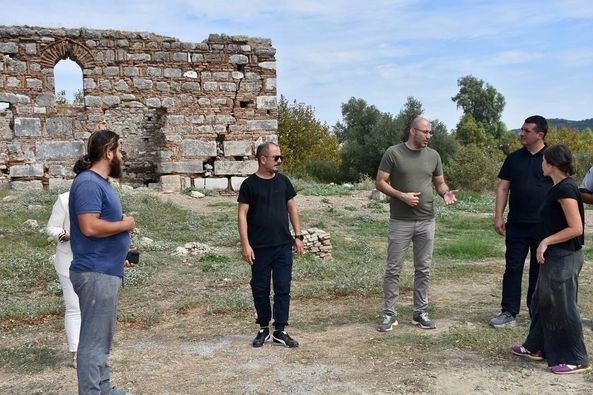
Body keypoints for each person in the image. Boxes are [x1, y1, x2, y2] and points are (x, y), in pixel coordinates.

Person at [511, 144, 590, 374]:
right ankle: (536, 347)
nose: (541, 163)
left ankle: (575, 358)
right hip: (555, 256)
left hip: (565, 256)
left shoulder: (565, 190)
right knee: (541, 301)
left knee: (563, 307)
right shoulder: (558, 187)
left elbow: (576, 228)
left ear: (552, 164)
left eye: (544, 160)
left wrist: (546, 241)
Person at [69, 130, 135, 395]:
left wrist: (120, 256)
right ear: (108, 152)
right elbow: (89, 226)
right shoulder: (88, 183)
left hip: (105, 269)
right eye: (119, 151)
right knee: (93, 342)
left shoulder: (99, 183)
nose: (121, 156)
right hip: (95, 273)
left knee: (101, 339)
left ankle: (103, 388)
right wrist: (125, 224)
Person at [376, 116, 457, 332]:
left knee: (423, 268)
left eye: (430, 132)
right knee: (393, 269)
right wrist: (401, 196)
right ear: (413, 131)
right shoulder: (393, 153)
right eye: (425, 132)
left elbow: (439, 183)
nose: (429, 136)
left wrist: (445, 193)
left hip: (426, 221)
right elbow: (380, 182)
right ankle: (389, 313)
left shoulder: (433, 156)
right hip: (400, 222)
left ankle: (419, 312)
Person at [237, 141, 304, 348]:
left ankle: (280, 330)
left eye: (280, 157)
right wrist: (245, 245)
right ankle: (263, 329)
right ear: (263, 159)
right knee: (260, 289)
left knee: (283, 288)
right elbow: (242, 215)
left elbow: (292, 208)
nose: (280, 161)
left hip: (283, 246)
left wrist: (298, 236)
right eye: (276, 157)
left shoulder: (284, 182)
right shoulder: (249, 185)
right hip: (259, 248)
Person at [490, 115, 553, 328]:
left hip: (544, 226)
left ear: (540, 135)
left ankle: (536, 312)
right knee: (513, 267)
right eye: (522, 130)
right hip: (516, 223)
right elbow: (503, 187)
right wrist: (498, 215)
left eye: (527, 131)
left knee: (539, 270)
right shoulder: (514, 158)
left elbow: (562, 188)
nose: (521, 134)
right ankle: (508, 312)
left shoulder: (552, 158)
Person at [46, 191, 80, 369]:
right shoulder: (64, 199)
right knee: (74, 308)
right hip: (69, 260)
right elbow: (52, 227)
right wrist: (65, 235)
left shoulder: (103, 196)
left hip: (96, 260)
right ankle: (75, 354)